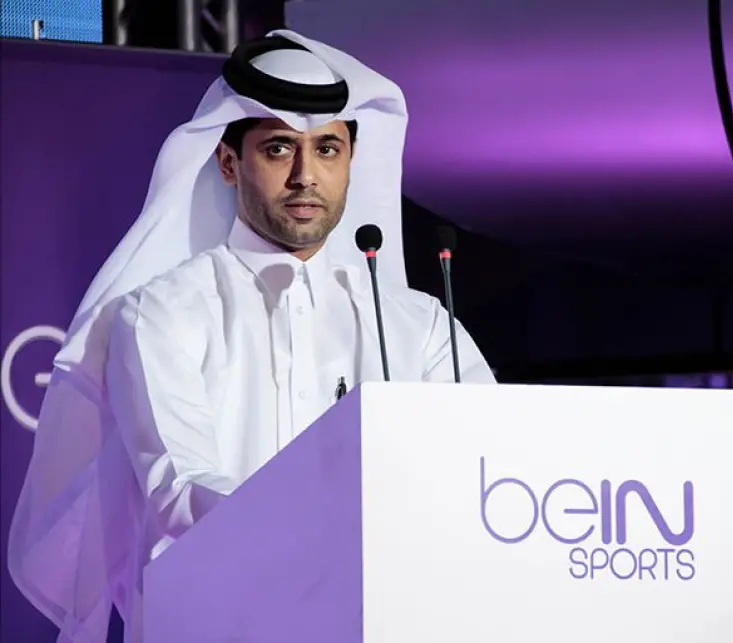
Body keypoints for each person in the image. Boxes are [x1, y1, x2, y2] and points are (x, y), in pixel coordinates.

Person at [7, 30, 495, 643]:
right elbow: (178, 491)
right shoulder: (160, 314)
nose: (304, 176)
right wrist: (339, 527)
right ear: (229, 162)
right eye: (279, 149)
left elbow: (487, 465)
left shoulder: (418, 326)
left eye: (326, 150)